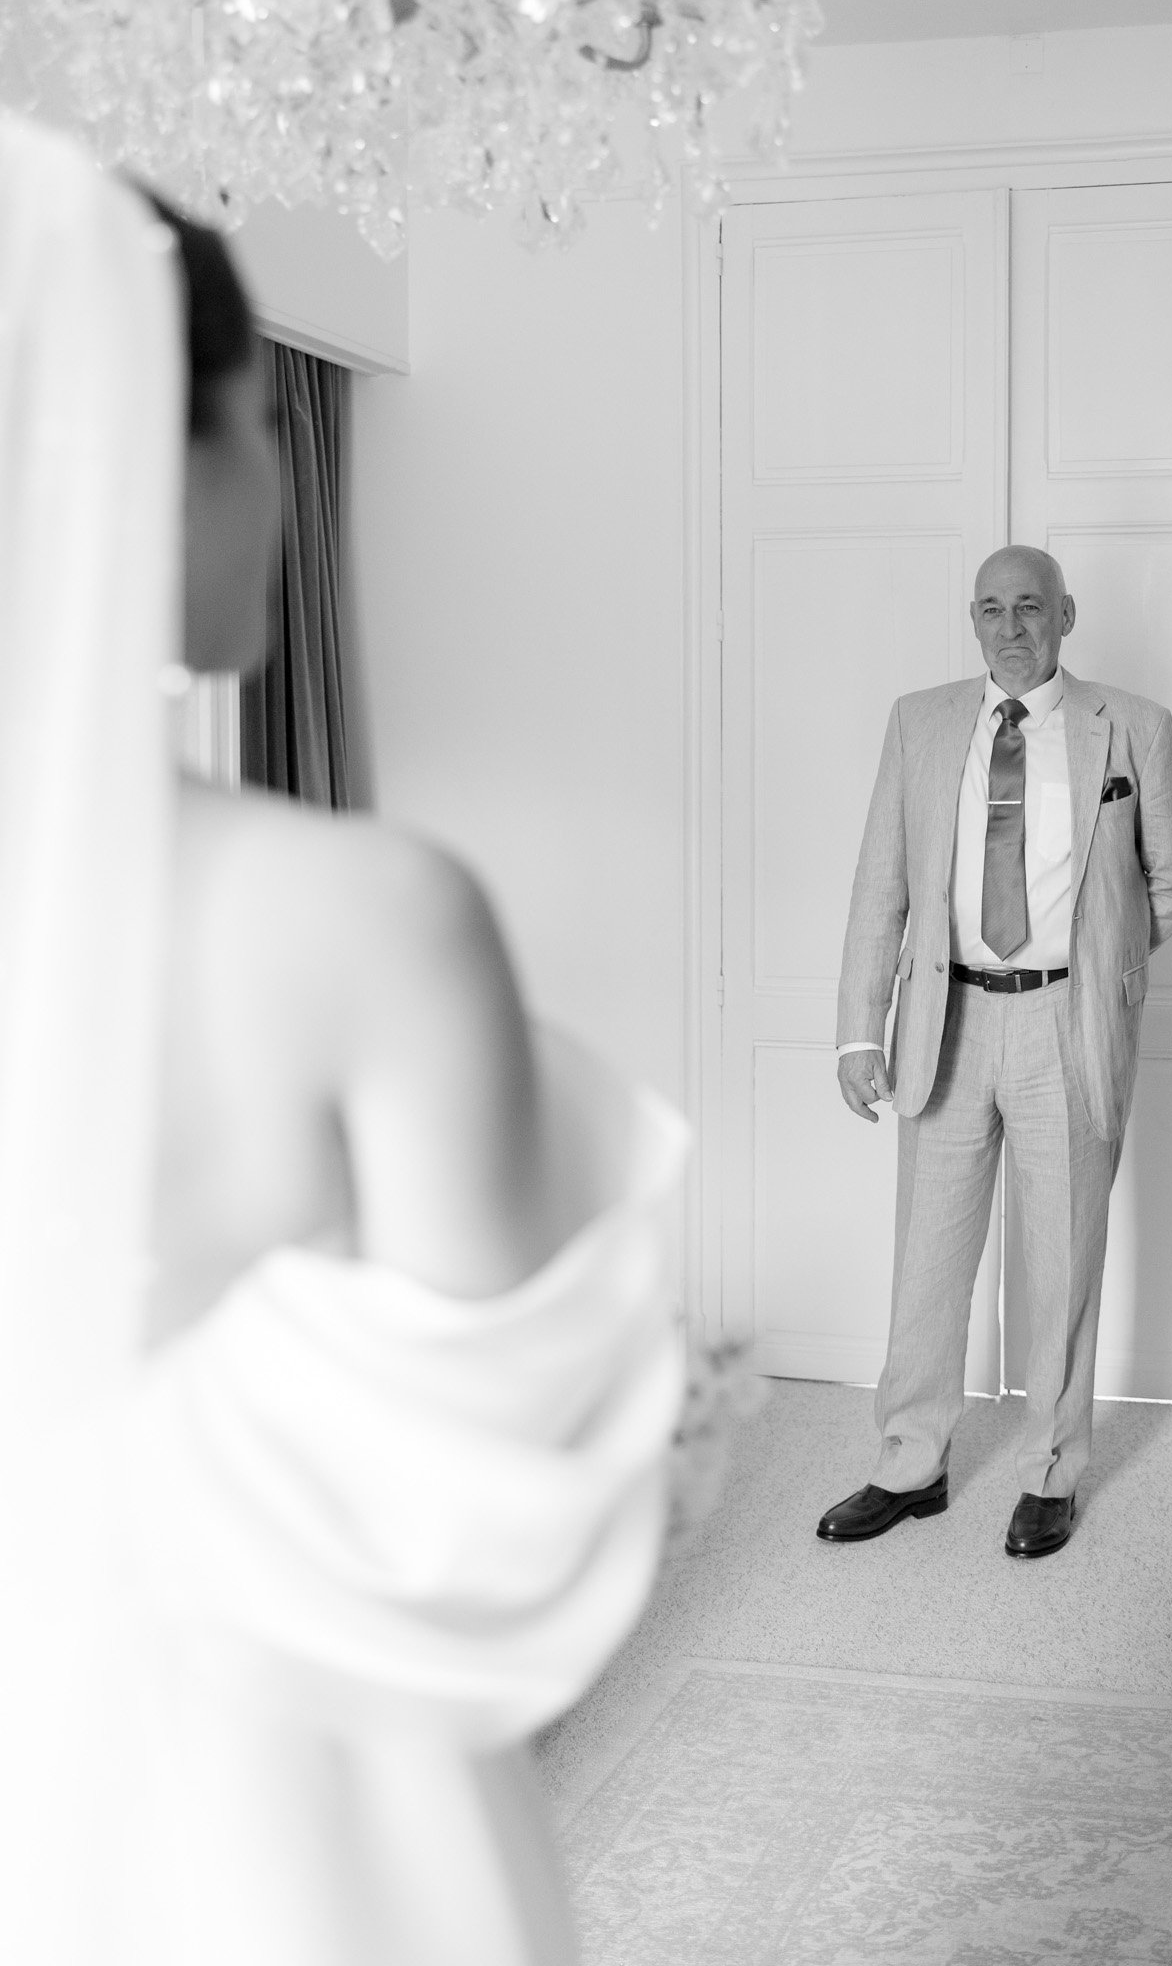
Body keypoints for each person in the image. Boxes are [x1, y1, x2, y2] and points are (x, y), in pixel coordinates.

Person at [0, 115, 688, 1965]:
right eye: (252, 426)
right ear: (165, 455)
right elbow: (499, 1522)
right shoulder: (361, 917)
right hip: (276, 1806)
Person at [816, 545, 1172, 1560]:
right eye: (989, 608)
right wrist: (862, 1029)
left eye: (1028, 605)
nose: (1009, 626)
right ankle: (910, 1460)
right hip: (942, 1018)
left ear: (1065, 613)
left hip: (1062, 1022)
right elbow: (880, 888)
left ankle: (1049, 1472)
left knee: (1062, 1255)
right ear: (973, 619)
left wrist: (1103, 957)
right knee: (928, 1256)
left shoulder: (1130, 726)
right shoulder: (920, 721)